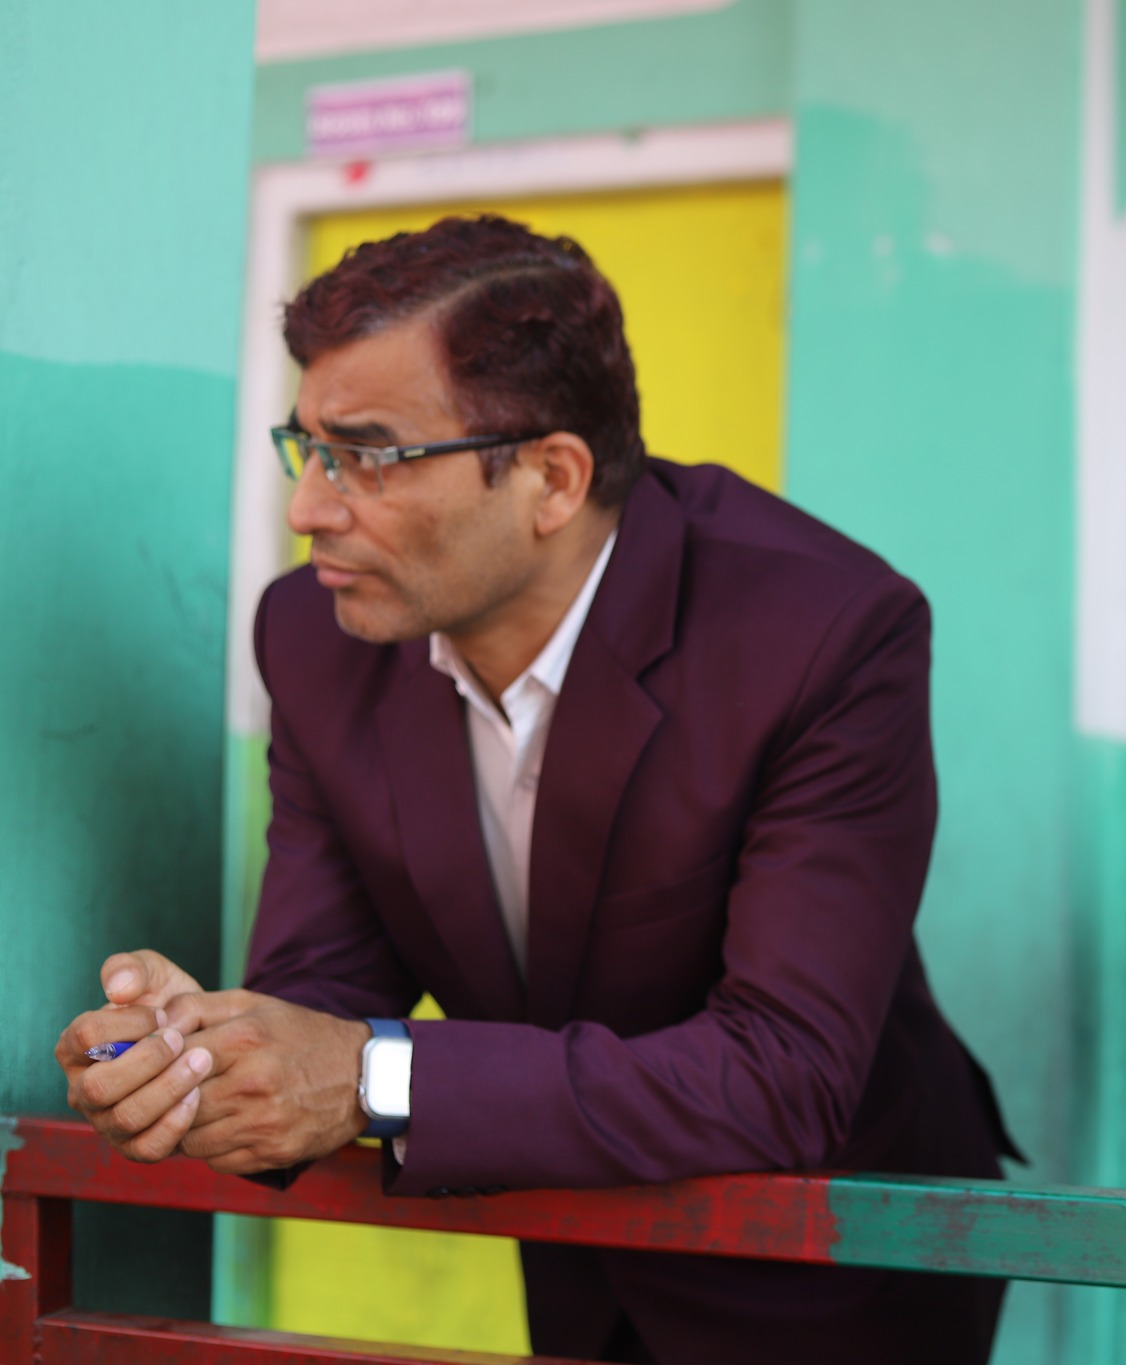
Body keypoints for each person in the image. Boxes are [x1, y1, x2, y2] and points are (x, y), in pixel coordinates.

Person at [54, 215, 1013, 1365]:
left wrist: (373, 1076)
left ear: (551, 479)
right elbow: (325, 990)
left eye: (368, 456)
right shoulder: (316, 634)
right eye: (304, 447)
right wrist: (197, 1056)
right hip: (567, 1255)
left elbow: (783, 1069)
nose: (308, 509)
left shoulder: (824, 633)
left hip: (827, 1273)